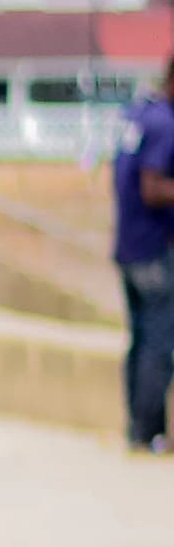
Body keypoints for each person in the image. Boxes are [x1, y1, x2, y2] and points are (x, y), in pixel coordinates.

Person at [119, 48, 174, 455]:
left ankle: (137, 428)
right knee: (159, 341)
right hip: (153, 248)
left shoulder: (138, 115)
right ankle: (150, 431)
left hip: (128, 245)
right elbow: (152, 187)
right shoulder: (165, 125)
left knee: (140, 339)